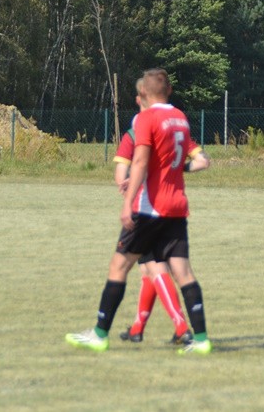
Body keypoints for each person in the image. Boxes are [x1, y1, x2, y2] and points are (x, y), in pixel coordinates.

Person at [66, 68, 213, 355]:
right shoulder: (180, 118)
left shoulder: (146, 118)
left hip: (149, 208)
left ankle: (99, 334)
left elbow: (141, 162)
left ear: (142, 93)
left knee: (119, 267)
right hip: (176, 207)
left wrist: (127, 203)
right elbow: (184, 160)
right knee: (183, 272)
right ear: (169, 91)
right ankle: (202, 339)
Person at [112, 88, 191, 346]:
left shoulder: (134, 132)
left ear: (139, 100)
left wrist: (128, 186)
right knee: (148, 269)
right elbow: (197, 159)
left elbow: (121, 176)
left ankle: (181, 326)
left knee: (154, 267)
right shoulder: (172, 127)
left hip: (145, 210)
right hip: (170, 207)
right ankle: (138, 328)